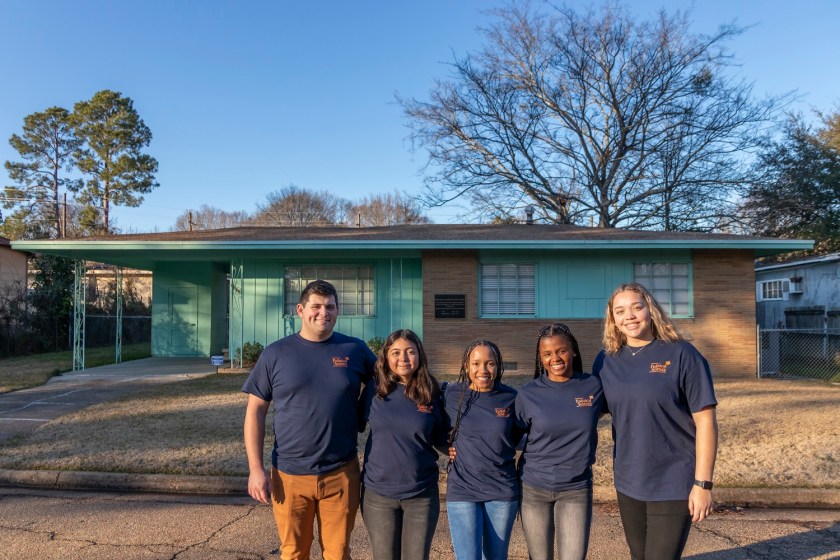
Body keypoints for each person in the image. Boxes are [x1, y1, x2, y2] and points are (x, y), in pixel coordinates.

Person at [242, 279, 376, 560]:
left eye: (330, 306)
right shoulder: (276, 354)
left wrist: (365, 412)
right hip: (290, 474)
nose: (323, 313)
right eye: (316, 306)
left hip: (341, 472)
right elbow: (255, 410)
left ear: (338, 311)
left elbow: (387, 380)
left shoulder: (355, 350)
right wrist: (256, 469)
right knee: (294, 553)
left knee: (338, 554)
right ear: (300, 310)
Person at [592, 282, 718, 560]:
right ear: (612, 319)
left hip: (673, 480)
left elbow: (706, 423)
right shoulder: (605, 361)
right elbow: (591, 411)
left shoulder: (683, 354)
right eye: (620, 311)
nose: (630, 316)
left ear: (651, 310)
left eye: (637, 307)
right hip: (628, 480)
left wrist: (703, 484)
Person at [515, 323, 605, 560]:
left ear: (573, 350)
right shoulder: (528, 393)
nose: (555, 358)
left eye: (561, 350)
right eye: (547, 353)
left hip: (575, 488)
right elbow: (509, 436)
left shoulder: (593, 387)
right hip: (533, 487)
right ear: (540, 357)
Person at [358, 329, 447, 560]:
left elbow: (440, 438)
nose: (403, 359)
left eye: (410, 352)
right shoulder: (374, 390)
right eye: (396, 352)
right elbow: (350, 424)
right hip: (378, 494)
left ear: (420, 355)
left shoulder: (432, 391)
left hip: (421, 494)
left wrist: (462, 450)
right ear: (386, 357)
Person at [444, 340, 521, 560]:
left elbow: (524, 434)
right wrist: (444, 447)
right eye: (476, 363)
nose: (483, 370)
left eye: (490, 363)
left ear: (498, 366)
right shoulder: (451, 395)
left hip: (501, 490)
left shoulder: (511, 398)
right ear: (466, 366)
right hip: (462, 489)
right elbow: (429, 425)